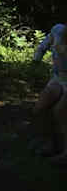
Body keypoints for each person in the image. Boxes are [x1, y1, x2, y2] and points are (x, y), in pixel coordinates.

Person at [30, 23, 67, 162]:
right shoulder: (57, 30)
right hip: (58, 78)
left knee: (60, 112)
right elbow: (43, 45)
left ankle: (65, 153)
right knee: (39, 108)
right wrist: (36, 60)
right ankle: (50, 143)